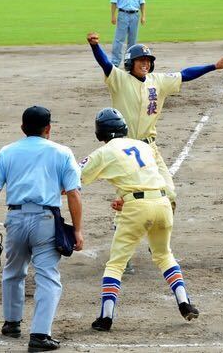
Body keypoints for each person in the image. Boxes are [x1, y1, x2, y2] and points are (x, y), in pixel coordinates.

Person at [0, 106, 83, 352]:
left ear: (23, 128)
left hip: (16, 218)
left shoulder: (7, 151)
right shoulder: (62, 152)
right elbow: (74, 194)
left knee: (13, 271)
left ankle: (11, 324)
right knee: (47, 277)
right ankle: (40, 335)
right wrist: (77, 231)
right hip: (46, 220)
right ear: (49, 128)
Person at [79, 108, 199, 332]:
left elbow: (74, 178)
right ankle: (184, 302)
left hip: (136, 208)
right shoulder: (144, 146)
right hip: (162, 204)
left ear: (100, 133)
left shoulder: (103, 152)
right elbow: (149, 179)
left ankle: (106, 318)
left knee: (116, 264)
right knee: (164, 255)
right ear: (123, 128)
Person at [86, 32, 223, 210]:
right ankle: (124, 225)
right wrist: (95, 46)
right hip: (125, 149)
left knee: (169, 194)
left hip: (150, 148)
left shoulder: (158, 81)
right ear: (131, 62)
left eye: (148, 61)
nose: (146, 64)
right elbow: (105, 64)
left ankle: (159, 231)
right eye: (141, 60)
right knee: (129, 198)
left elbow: (184, 74)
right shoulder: (119, 79)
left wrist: (213, 66)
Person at [110, 0, 146, 67]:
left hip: (135, 15)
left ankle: (129, 62)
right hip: (123, 14)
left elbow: (142, 2)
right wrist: (113, 16)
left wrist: (143, 16)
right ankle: (115, 63)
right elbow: (113, 2)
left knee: (132, 41)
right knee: (119, 40)